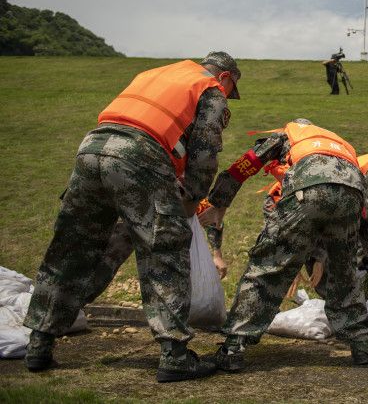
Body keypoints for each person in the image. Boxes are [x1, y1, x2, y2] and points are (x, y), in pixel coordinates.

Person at [23, 51, 241, 382]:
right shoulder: (208, 87)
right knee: (164, 251)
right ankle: (175, 355)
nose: (227, 99)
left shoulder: (154, 73)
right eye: (230, 91)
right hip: (140, 154)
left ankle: (40, 341)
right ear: (225, 78)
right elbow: (204, 150)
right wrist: (193, 197)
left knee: (71, 250)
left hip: (92, 150)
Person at [200, 120, 368, 370]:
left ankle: (233, 348)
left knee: (267, 268)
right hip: (353, 195)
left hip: (308, 191)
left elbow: (243, 166)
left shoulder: (288, 136)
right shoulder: (340, 146)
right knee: (344, 273)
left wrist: (218, 202)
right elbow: (366, 220)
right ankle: (360, 345)